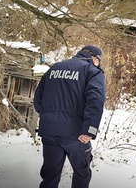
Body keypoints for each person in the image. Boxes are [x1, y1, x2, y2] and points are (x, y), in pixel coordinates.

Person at [33, 45, 105, 188]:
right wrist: (89, 130)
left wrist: (49, 118)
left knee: (49, 177)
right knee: (82, 174)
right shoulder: (92, 71)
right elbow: (95, 101)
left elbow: (38, 99)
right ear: (94, 59)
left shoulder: (54, 68)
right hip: (76, 134)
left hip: (49, 131)